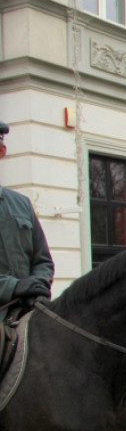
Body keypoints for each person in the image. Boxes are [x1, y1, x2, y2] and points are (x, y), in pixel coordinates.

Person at [0, 120, 55, 322]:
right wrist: (14, 287)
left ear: (2, 152)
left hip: (27, 314)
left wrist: (37, 284)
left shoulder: (21, 204)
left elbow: (43, 260)